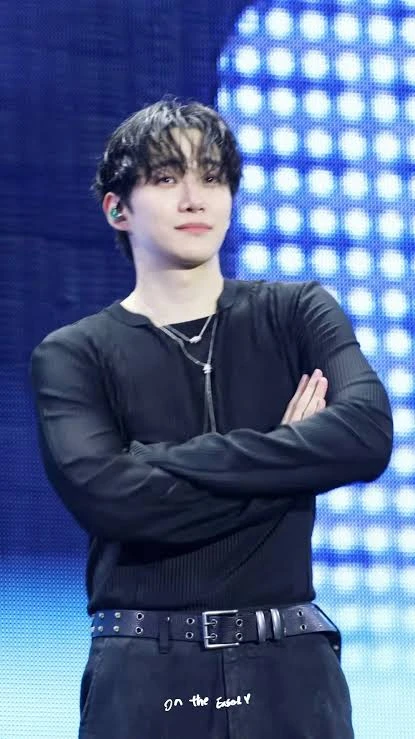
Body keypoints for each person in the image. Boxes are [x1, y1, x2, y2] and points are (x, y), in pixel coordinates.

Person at [30, 99, 393, 739]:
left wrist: (153, 465)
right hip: (145, 672)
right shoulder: (73, 354)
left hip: (291, 670)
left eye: (213, 176)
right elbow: (113, 500)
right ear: (117, 209)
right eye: (167, 177)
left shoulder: (298, 312)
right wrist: (293, 453)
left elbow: (365, 434)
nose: (195, 198)